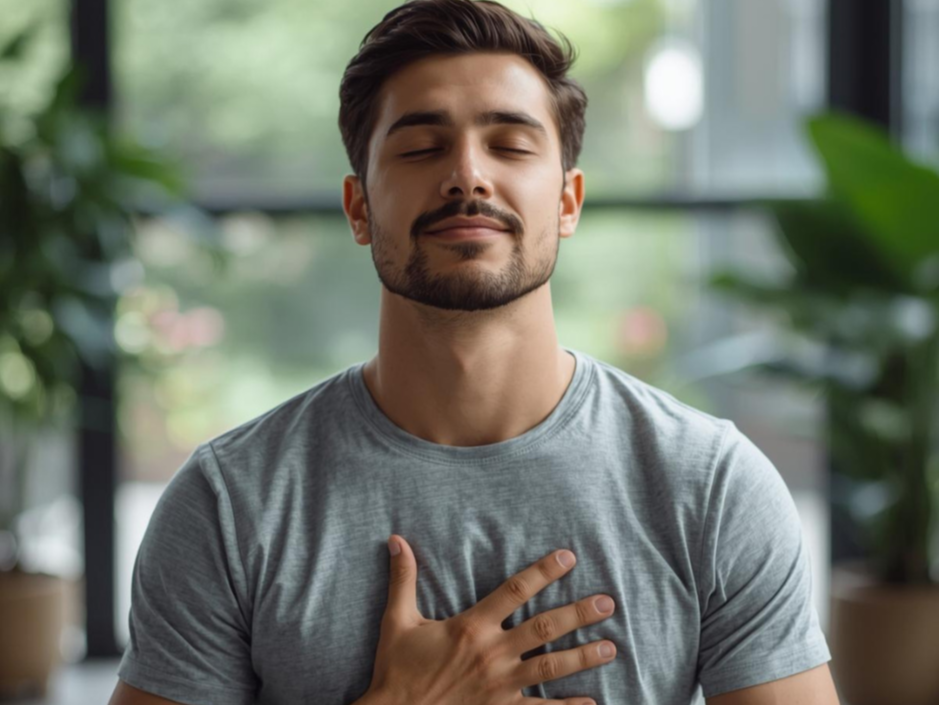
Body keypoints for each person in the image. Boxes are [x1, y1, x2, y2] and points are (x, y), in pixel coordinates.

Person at [109, 1, 840, 704]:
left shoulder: (710, 487)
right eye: (422, 147)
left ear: (567, 201)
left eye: (511, 144)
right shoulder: (229, 503)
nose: (467, 174)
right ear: (360, 207)